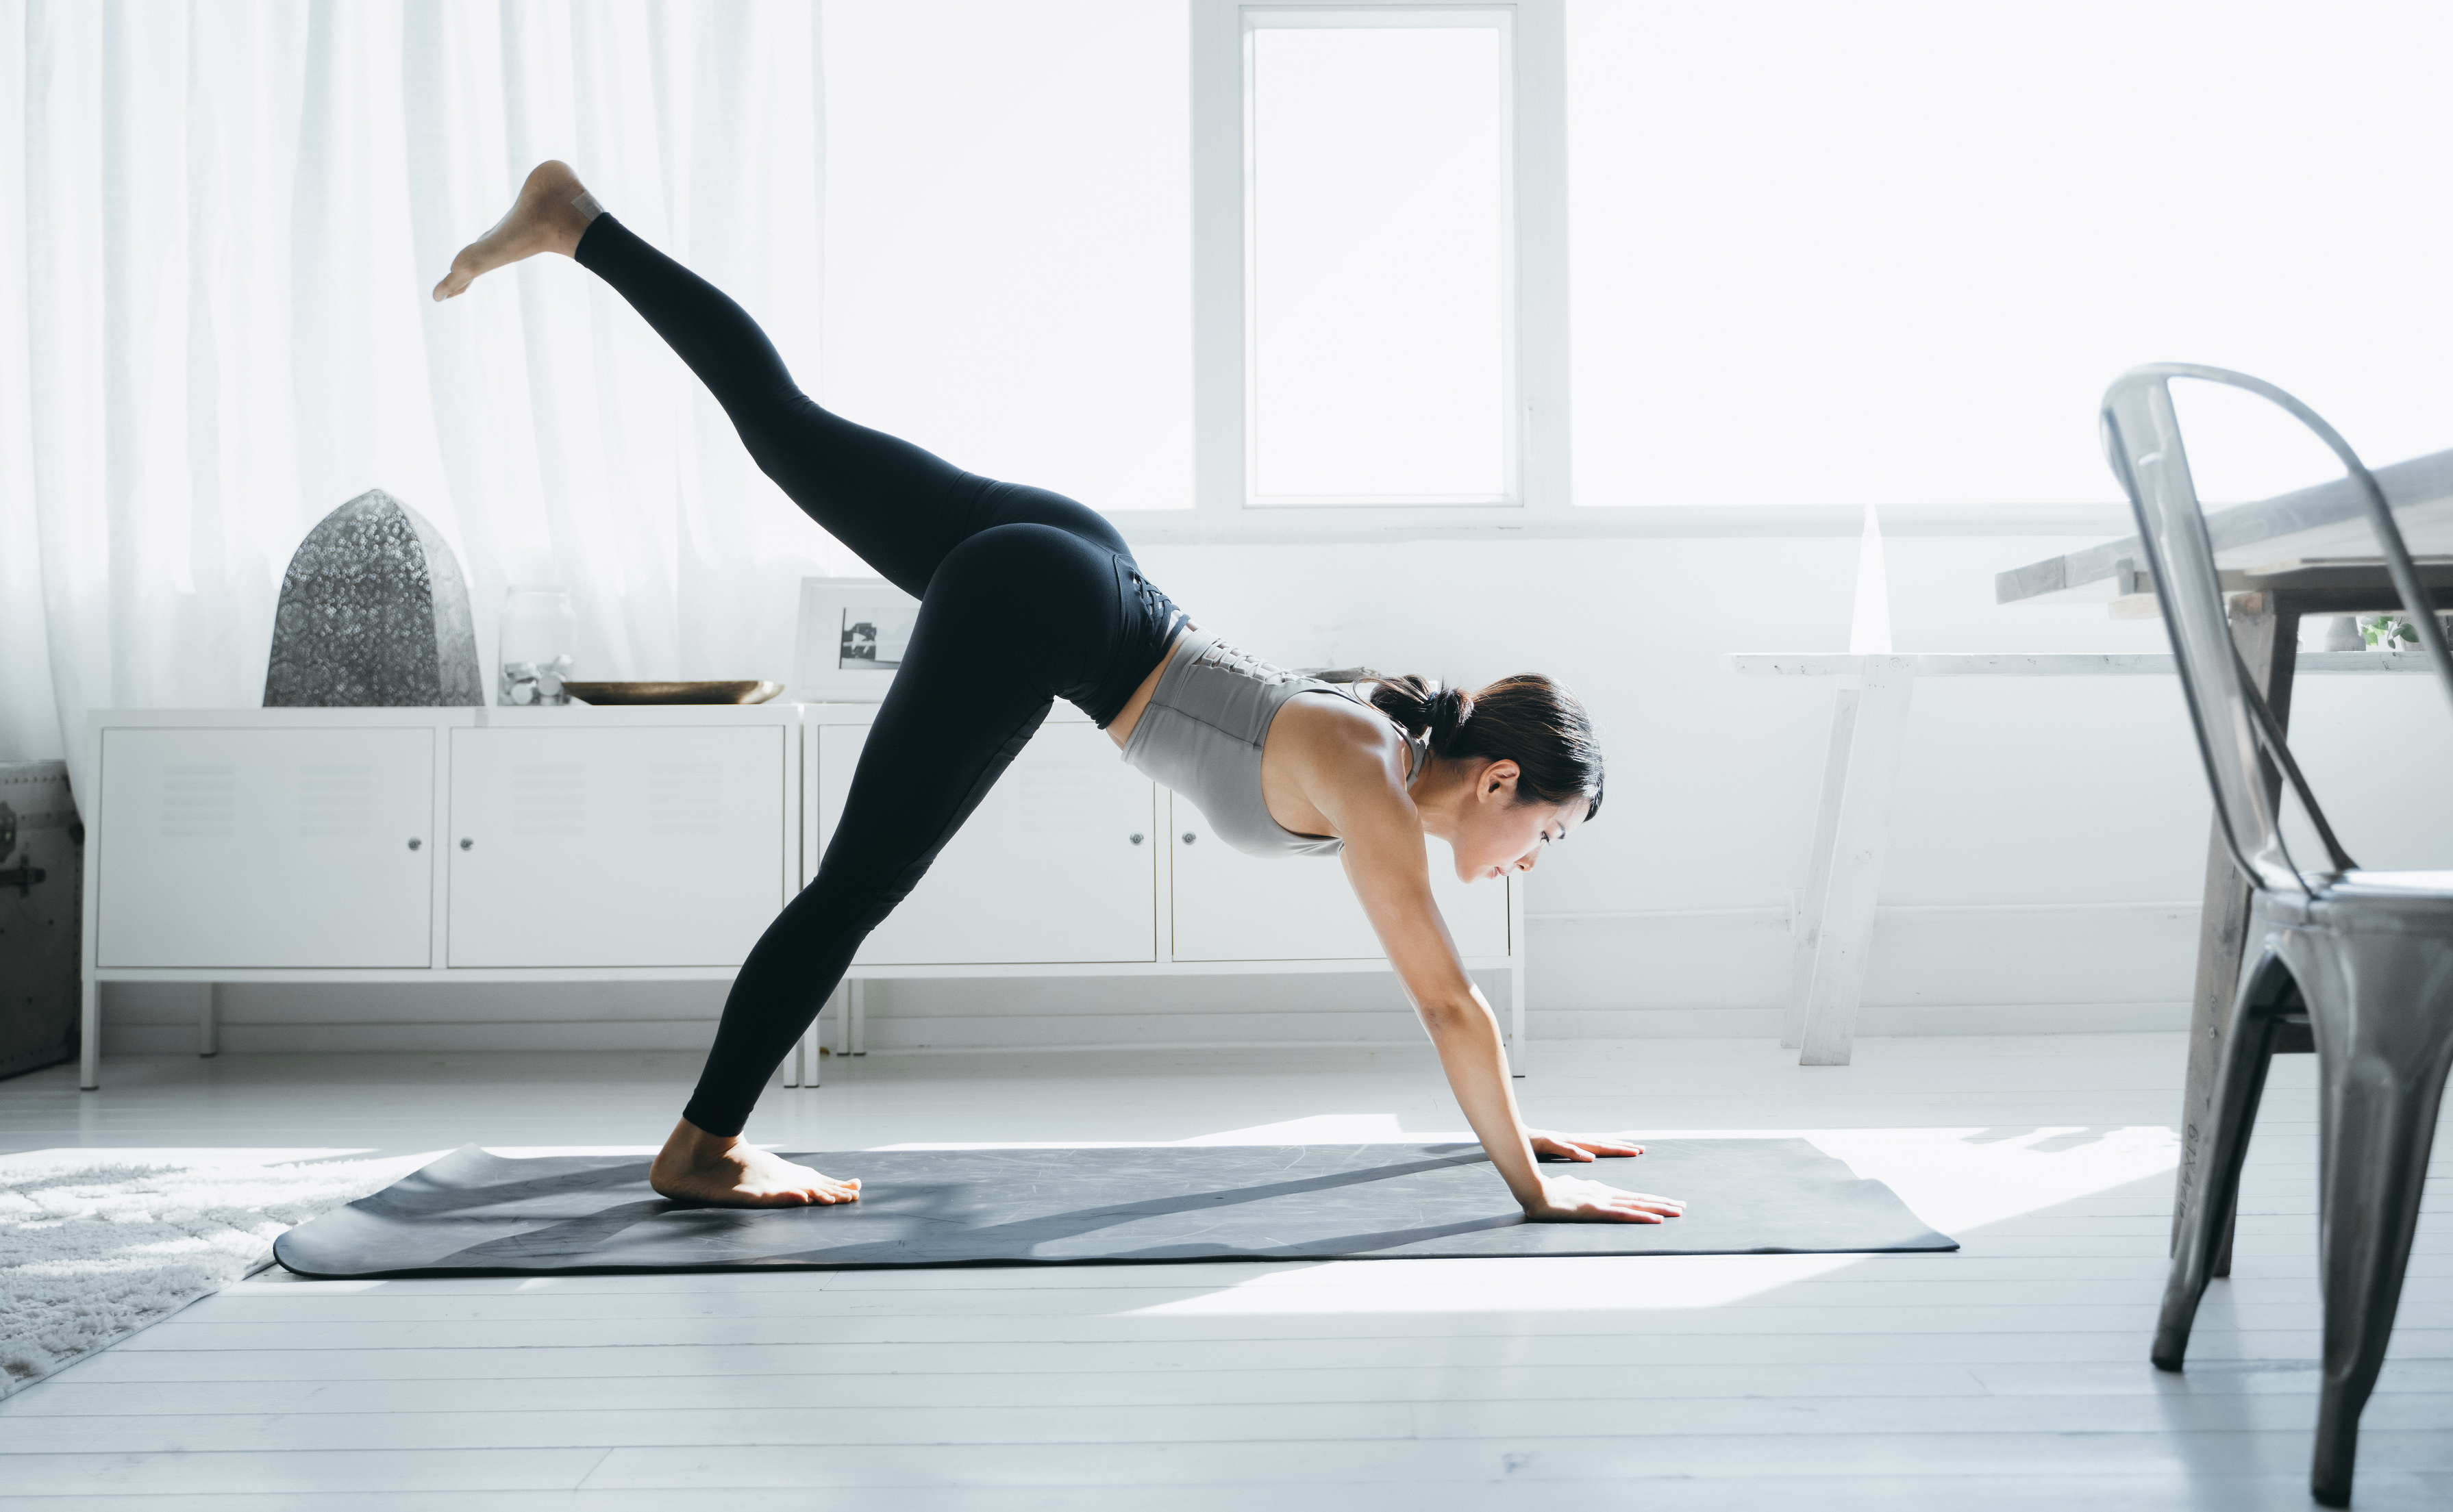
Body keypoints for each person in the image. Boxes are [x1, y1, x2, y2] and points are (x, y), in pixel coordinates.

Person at [432, 162, 1683, 1226]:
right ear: (1502, 781)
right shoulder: (1369, 774)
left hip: (1072, 566)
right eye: (1548, 837)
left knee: (781, 424)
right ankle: (703, 1146)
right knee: (860, 882)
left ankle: (574, 222)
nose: (1532, 860)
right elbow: (1446, 1003)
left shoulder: (1386, 751)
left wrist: (1519, 1138)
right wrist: (1532, 1187)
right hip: (1053, 608)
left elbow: (1455, 1012)